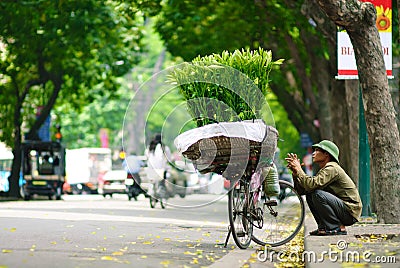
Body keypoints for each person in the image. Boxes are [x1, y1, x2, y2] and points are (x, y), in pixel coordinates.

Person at [285, 140, 362, 236]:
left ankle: (336, 227)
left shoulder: (332, 168)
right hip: (343, 209)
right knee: (311, 193)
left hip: (350, 212)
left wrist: (300, 169)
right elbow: (303, 191)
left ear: (326, 154)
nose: (313, 153)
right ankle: (324, 227)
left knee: (318, 194)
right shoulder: (325, 169)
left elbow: (311, 184)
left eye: (317, 150)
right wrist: (296, 174)